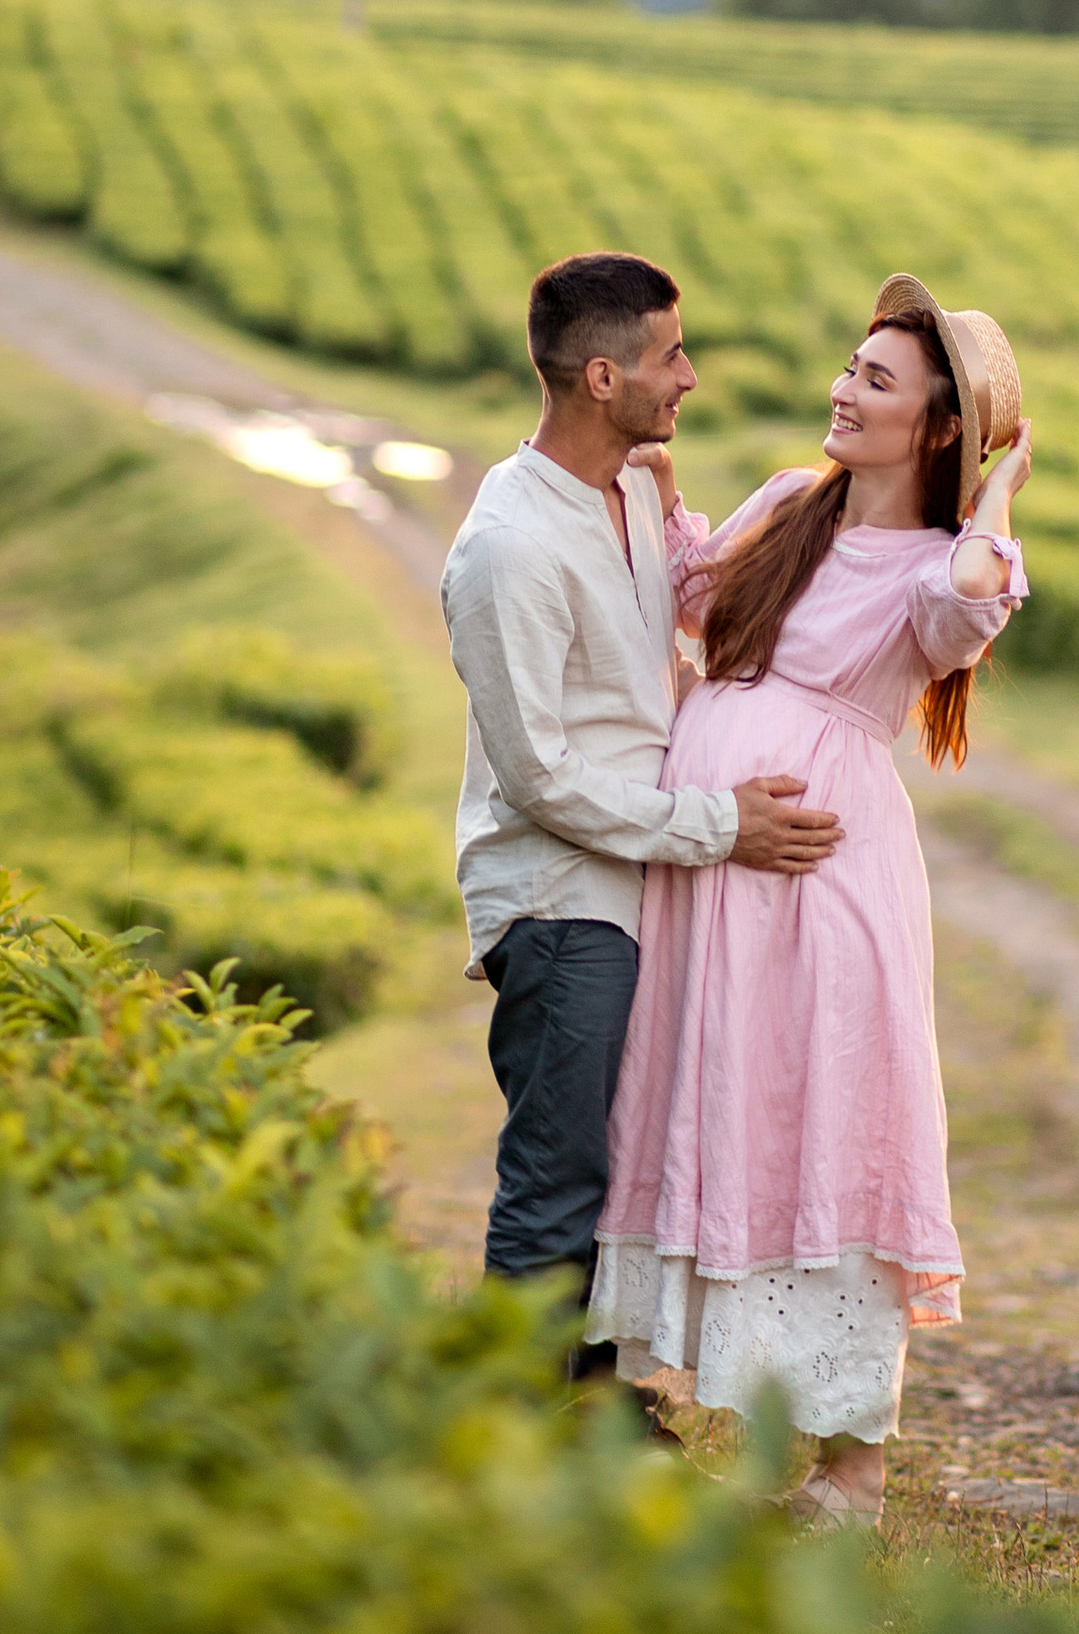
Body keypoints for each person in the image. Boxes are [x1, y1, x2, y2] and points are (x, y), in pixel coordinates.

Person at [586, 273, 1031, 1522]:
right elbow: (696, 603)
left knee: (821, 1106)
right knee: (702, 1085)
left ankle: (850, 1468)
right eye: (850, 366)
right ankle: (638, 1386)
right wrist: (669, 495)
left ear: (936, 429)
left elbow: (964, 611)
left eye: (877, 381)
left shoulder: (946, 563)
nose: (843, 390)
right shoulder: (790, 501)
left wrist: (996, 495)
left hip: (817, 877)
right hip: (708, 870)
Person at [440, 248, 842, 1363]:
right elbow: (541, 779)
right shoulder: (508, 551)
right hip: (561, 898)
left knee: (619, 1165)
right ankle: (515, 1427)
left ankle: (595, 1398)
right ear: (603, 379)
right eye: (670, 354)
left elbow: (666, 638)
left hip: (636, 885)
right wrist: (723, 826)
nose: (692, 377)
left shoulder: (621, 489)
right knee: (559, 1173)